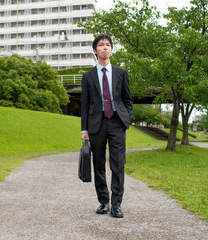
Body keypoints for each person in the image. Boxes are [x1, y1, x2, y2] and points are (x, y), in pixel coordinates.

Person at [81, 35, 133, 218]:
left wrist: (127, 121)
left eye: (108, 45)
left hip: (117, 122)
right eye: (101, 45)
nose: (105, 48)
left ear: (111, 50)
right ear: (95, 51)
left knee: (118, 164)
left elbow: (127, 100)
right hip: (96, 124)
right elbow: (85, 105)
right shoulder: (87, 77)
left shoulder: (121, 73)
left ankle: (117, 204)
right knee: (99, 164)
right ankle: (104, 201)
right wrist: (84, 130)